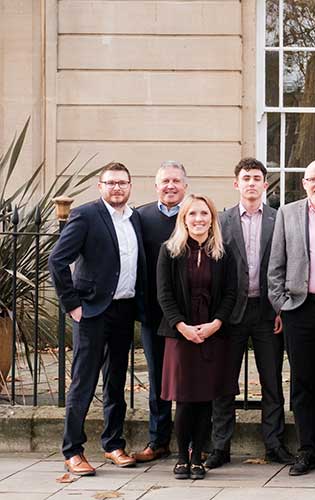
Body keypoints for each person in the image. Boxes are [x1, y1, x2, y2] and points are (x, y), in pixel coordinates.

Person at [50, 162, 145, 475]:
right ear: (100, 186)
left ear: (130, 186)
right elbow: (58, 261)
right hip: (91, 312)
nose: (117, 188)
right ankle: (72, 450)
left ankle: (113, 444)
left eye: (122, 182)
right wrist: (72, 305)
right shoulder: (87, 215)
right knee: (84, 382)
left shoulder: (135, 219)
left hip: (123, 310)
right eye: (110, 182)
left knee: (116, 381)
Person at [206, 158, 294, 469]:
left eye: (257, 178)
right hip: (231, 313)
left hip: (268, 311)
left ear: (265, 184)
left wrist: (282, 306)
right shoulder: (222, 220)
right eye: (246, 178)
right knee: (224, 382)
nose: (252, 183)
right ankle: (220, 447)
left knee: (272, 381)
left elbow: (284, 263)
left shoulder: (279, 218)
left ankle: (274, 444)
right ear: (236, 183)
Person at [156, 194, 238, 480]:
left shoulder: (223, 252)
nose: (199, 219)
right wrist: (182, 326)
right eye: (193, 214)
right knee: (184, 399)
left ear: (212, 219)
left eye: (204, 214)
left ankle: (198, 457)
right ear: (184, 219)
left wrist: (216, 323)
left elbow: (231, 293)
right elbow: (164, 294)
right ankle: (181, 457)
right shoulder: (170, 251)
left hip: (213, 335)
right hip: (181, 336)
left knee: (206, 399)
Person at [268, 159, 315, 475]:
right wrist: (282, 304)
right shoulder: (289, 213)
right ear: (304, 183)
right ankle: (308, 449)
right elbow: (276, 265)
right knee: (303, 381)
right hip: (301, 307)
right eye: (314, 180)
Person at [133, 161, 187, 463]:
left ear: (185, 186)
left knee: (189, 379)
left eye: (176, 181)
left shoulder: (194, 215)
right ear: (156, 186)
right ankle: (158, 440)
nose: (170, 186)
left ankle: (192, 441)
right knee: (158, 379)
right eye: (165, 181)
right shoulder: (141, 217)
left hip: (190, 316)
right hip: (153, 313)